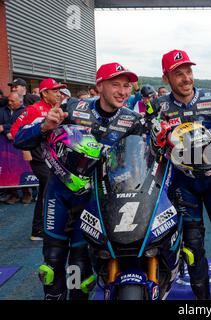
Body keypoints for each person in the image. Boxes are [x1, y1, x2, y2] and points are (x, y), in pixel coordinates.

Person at [13, 63, 143, 300]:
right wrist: (45, 126)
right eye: (116, 84)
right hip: (59, 194)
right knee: (51, 266)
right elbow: (20, 139)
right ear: (99, 86)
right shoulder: (71, 108)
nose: (123, 91)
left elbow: (141, 163)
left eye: (127, 86)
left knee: (82, 271)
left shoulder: (133, 120)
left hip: (95, 202)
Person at [151, 49, 211, 300]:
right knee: (192, 247)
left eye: (188, 71)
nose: (186, 78)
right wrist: (159, 140)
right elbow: (147, 144)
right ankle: (201, 301)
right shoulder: (157, 106)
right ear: (166, 78)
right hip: (182, 186)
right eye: (178, 73)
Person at [11, 79, 67, 241]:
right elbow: (16, 132)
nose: (58, 94)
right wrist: (26, 149)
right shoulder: (33, 109)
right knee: (49, 190)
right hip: (40, 159)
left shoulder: (56, 109)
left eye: (59, 91)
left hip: (54, 159)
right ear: (44, 93)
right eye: (55, 91)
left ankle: (47, 227)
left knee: (50, 190)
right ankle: (38, 230)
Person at [0, 92, 32, 204]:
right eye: (9, 100)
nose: (10, 102)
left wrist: (4, 128)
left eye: (12, 101)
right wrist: (7, 129)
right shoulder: (3, 110)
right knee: (8, 168)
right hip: (5, 147)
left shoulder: (25, 111)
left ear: (20, 101)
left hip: (20, 145)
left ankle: (27, 193)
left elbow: (22, 124)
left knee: (22, 167)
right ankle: (13, 194)